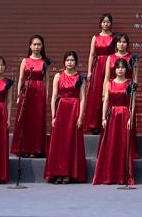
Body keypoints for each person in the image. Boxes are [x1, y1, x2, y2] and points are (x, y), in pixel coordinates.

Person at [92, 58, 137, 185]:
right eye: (118, 67)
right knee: (111, 144)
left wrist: (131, 118)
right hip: (112, 116)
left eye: (122, 67)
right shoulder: (109, 83)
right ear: (115, 69)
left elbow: (132, 102)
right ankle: (109, 175)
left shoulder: (130, 83)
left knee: (123, 145)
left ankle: (122, 175)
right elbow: (106, 101)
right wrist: (103, 118)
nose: (120, 70)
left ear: (126, 69)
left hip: (124, 115)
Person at [43, 50, 86, 183]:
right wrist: (53, 116)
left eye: (72, 60)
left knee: (70, 142)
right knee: (59, 143)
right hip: (61, 111)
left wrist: (80, 117)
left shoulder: (80, 77)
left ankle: (68, 173)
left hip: (74, 110)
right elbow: (54, 97)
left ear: (76, 62)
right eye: (67, 60)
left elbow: (83, 98)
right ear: (64, 62)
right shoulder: (58, 76)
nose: (70, 62)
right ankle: (57, 173)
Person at [12, 35, 50, 156]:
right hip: (26, 91)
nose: (36, 47)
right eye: (34, 44)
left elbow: (47, 80)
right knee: (25, 120)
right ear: (30, 46)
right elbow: (20, 80)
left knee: (37, 121)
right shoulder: (25, 61)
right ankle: (23, 149)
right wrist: (19, 96)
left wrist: (46, 96)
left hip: (39, 91)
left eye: (39, 44)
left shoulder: (45, 62)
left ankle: (35, 150)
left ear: (42, 46)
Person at [84, 14, 116, 132]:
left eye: (108, 22)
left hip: (110, 66)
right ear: (100, 23)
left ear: (111, 23)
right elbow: (92, 54)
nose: (105, 24)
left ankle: (109, 122)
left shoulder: (114, 38)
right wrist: (89, 71)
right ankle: (94, 125)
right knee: (96, 94)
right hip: (98, 67)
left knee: (109, 92)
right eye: (103, 22)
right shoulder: (95, 37)